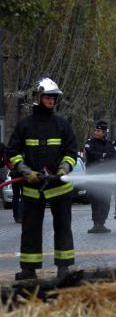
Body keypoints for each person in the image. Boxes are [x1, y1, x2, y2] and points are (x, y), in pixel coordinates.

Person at [6, 77, 77, 280]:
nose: (51, 101)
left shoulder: (62, 125)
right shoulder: (24, 126)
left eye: (54, 98)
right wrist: (27, 172)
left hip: (59, 187)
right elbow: (13, 152)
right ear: (38, 97)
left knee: (63, 227)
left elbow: (71, 152)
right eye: (48, 97)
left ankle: (63, 268)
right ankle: (29, 268)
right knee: (30, 229)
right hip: (33, 186)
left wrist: (63, 169)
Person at [85, 121, 116, 233]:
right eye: (95, 130)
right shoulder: (90, 142)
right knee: (95, 201)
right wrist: (103, 155)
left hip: (106, 178)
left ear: (104, 133)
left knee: (105, 201)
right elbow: (91, 154)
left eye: (98, 131)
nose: (95, 132)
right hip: (93, 177)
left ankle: (102, 223)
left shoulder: (109, 144)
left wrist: (101, 157)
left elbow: (112, 156)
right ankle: (95, 224)